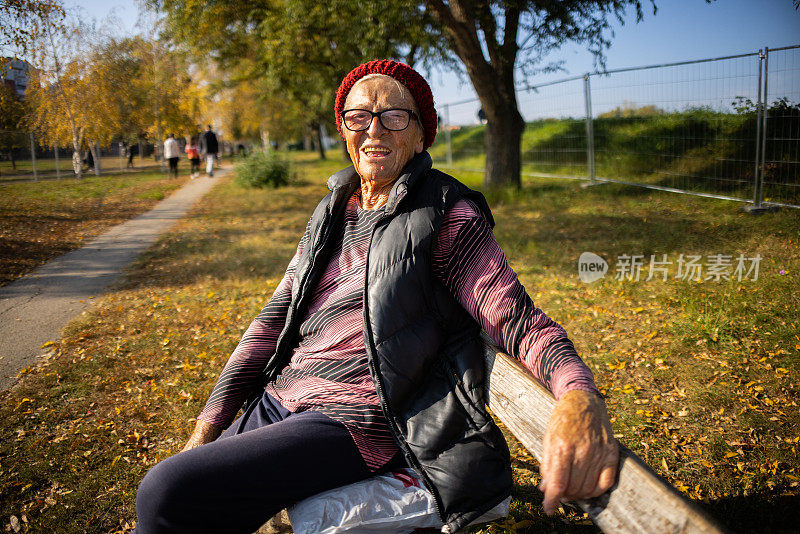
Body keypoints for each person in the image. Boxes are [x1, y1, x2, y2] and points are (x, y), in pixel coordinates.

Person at [134, 60, 618, 534]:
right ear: (343, 130)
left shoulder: (447, 213)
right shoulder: (333, 209)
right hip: (284, 396)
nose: (374, 130)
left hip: (354, 418)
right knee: (187, 510)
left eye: (394, 116)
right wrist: (208, 424)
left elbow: (515, 317)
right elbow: (272, 319)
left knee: (165, 491)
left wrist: (580, 395)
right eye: (358, 116)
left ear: (421, 134)